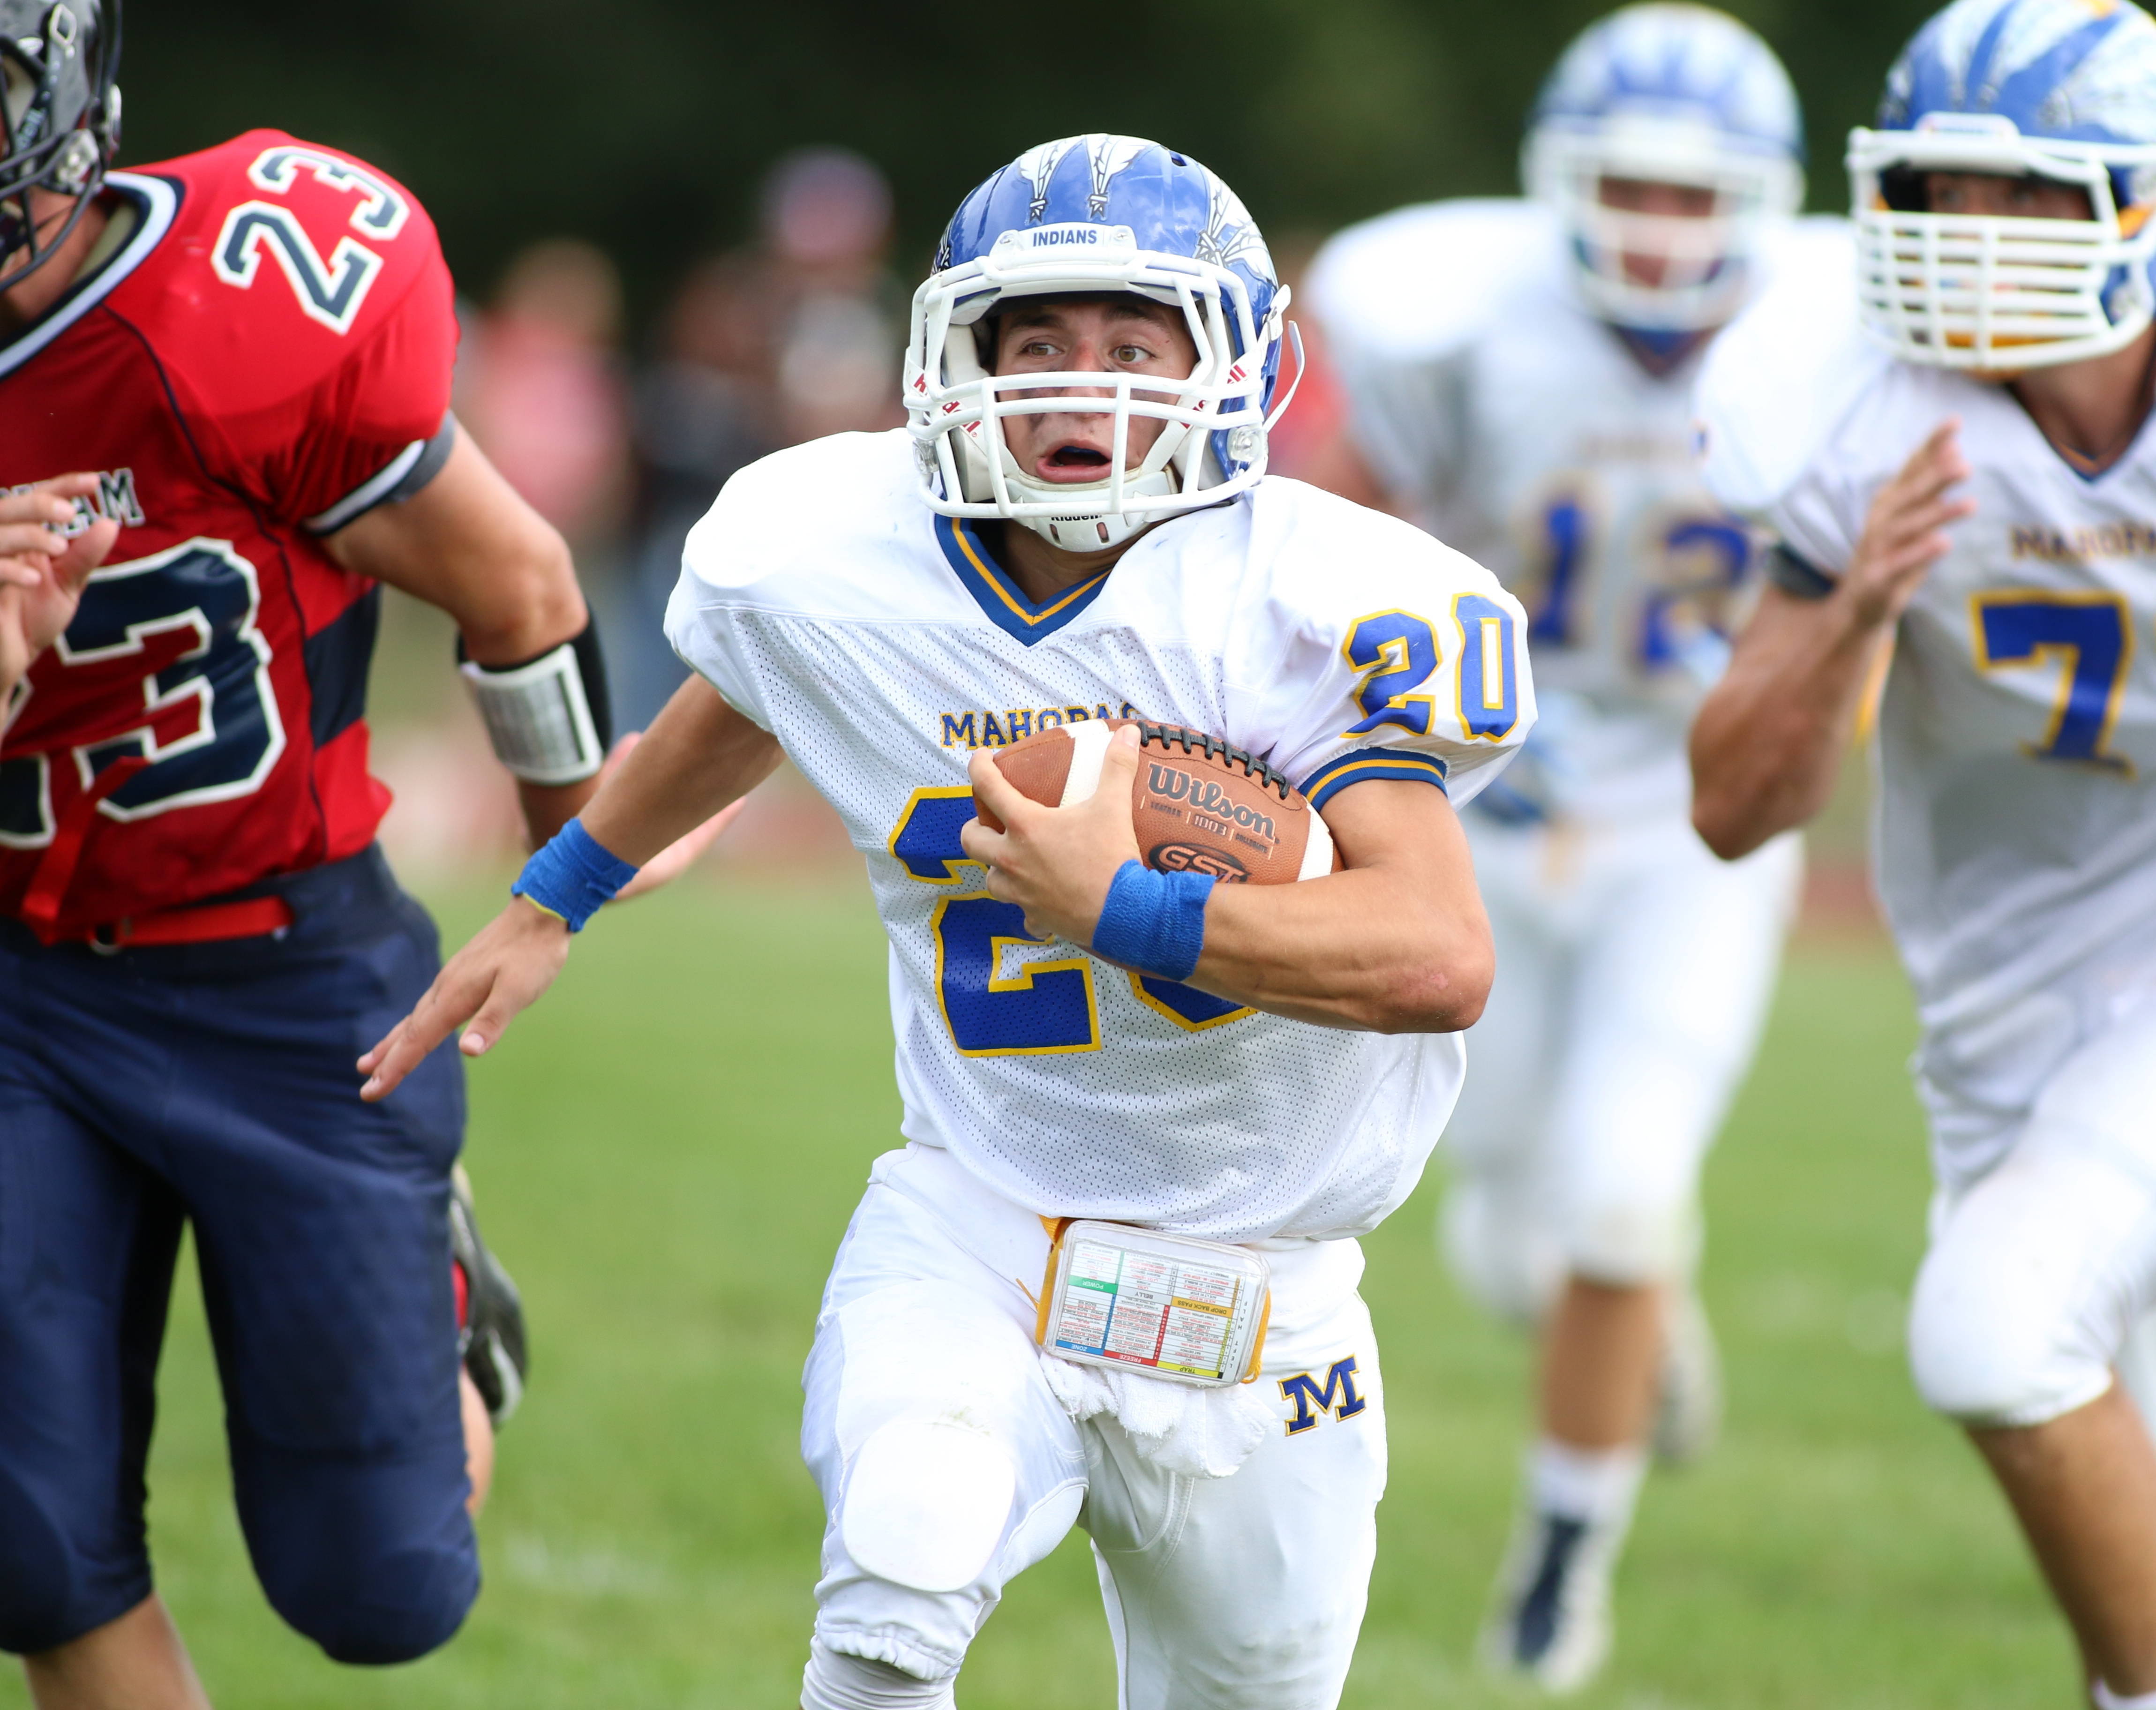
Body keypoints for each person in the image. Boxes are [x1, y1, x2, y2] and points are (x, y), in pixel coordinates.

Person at [358, 134, 1535, 1710]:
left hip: (1269, 1287)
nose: (1081, 382)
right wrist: (557, 893)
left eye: (1135, 343)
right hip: (982, 1220)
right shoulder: (834, 549)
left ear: (1241, 363)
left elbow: (1438, 955)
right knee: (903, 1560)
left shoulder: (1314, 603)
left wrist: (1122, 907)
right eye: (1035, 340)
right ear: (953, 360)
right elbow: (756, 690)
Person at [0, 3, 707, 1699]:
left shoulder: (235, 305)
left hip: (285, 969)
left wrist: (571, 853)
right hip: (18, 987)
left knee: (380, 1590)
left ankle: (436, 1285)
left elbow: (518, 583)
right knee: (28, 1549)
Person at [1303, 5, 1809, 1688]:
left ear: (1762, 201)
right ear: (1561, 184)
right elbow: (1336, 544)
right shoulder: (1458, 327)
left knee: (1622, 1192)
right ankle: (1640, 1328)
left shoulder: (1822, 342)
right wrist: (1412, 730)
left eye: (1695, 193)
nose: (1660, 229)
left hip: (1690, 820)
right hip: (1492, 812)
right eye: (1630, 186)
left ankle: (1562, 1567)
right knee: (1507, 1241)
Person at [1691, 2, 2156, 1704]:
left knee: (1994, 1328)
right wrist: (1855, 612)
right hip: (2000, 987)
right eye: (1944, 190)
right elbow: (1734, 808)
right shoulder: (1852, 401)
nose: (1974, 235)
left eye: (2028, 196)